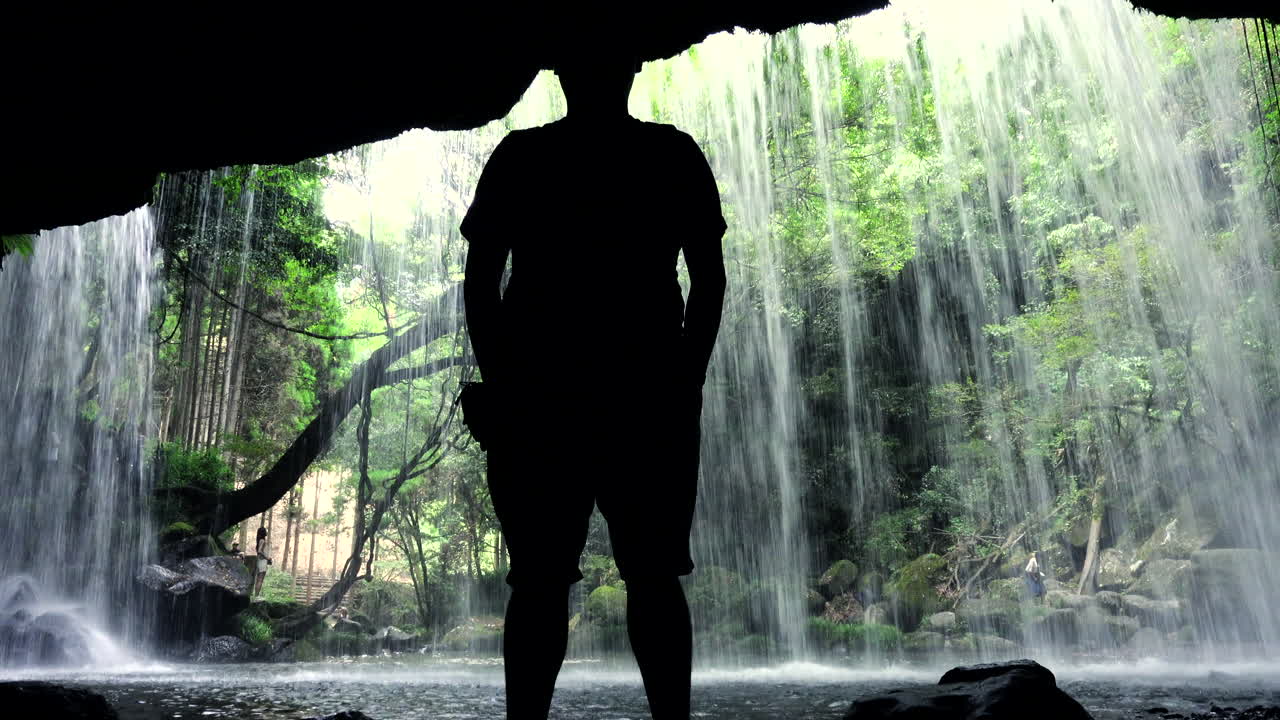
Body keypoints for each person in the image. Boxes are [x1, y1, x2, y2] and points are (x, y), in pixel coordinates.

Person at [461, 37, 727, 720]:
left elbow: (481, 282)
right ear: (634, 67)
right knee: (652, 575)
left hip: (542, 397)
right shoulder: (671, 154)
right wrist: (686, 379)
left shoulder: (523, 157)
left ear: (556, 70)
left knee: (542, 581)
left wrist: (499, 383)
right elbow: (708, 280)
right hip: (642, 394)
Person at [253, 527, 271, 598]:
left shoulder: (259, 540)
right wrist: (267, 558)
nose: (266, 532)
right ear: (263, 532)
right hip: (262, 561)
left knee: (258, 579)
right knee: (260, 579)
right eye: (265, 531)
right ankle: (256, 596)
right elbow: (259, 551)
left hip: (259, 560)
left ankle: (255, 596)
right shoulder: (262, 540)